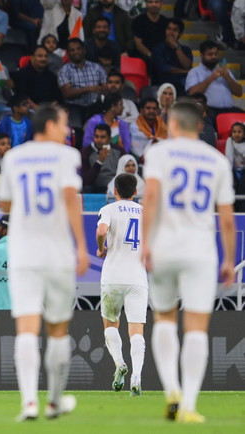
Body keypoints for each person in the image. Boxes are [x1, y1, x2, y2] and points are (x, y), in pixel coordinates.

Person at [141, 100, 236, 423]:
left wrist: (146, 243)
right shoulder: (217, 160)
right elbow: (226, 217)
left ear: (172, 124)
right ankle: (190, 406)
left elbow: (150, 196)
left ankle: (171, 388)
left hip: (165, 247)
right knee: (196, 328)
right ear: (200, 126)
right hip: (201, 252)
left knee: (165, 318)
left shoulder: (158, 154)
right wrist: (229, 258)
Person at [0, 105, 89, 420]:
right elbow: (69, 197)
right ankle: (54, 400)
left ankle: (28, 403)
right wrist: (82, 246)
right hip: (57, 252)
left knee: (26, 328)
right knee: (58, 329)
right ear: (49, 125)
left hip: (23, 252)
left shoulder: (13, 157)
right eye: (64, 124)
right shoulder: (67, 156)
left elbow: (5, 203)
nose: (66, 131)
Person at [96, 172, 148, 396]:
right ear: (135, 192)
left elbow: (101, 230)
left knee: (110, 326)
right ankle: (136, 376)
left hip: (113, 278)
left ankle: (119, 363)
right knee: (136, 330)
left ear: (114, 191)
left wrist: (101, 248)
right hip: (137, 278)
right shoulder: (145, 212)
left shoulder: (108, 210)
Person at [186, 40, 244, 124]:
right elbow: (192, 93)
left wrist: (228, 78)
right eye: (210, 54)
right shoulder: (194, 72)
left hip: (228, 110)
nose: (214, 57)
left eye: (216, 54)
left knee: (241, 114)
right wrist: (211, 78)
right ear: (201, 55)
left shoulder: (225, 71)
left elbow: (239, 93)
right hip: (209, 111)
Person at [58, 38, 107, 129]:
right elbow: (67, 93)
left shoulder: (97, 67)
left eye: (78, 48)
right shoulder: (64, 70)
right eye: (72, 50)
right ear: (68, 53)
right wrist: (88, 89)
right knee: (76, 132)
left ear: (84, 50)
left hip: (95, 107)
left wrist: (102, 89)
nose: (76, 52)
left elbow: (105, 88)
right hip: (74, 107)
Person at [11, 45, 63, 111]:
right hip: (30, 110)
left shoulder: (51, 75)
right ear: (32, 58)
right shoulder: (22, 74)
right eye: (40, 56)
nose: (43, 59)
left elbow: (57, 97)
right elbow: (22, 95)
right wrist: (37, 108)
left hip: (49, 110)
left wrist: (50, 108)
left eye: (45, 56)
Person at [151, 18, 192, 96]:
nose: (171, 33)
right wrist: (185, 72)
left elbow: (187, 65)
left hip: (182, 83)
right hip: (163, 83)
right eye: (169, 29)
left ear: (180, 34)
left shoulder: (186, 50)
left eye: (175, 30)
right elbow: (165, 69)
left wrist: (177, 47)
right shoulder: (158, 49)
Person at [82, 123, 126, 193]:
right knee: (87, 189)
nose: (99, 140)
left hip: (115, 187)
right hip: (94, 188)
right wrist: (99, 162)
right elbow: (85, 180)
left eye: (102, 137)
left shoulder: (119, 151)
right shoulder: (86, 152)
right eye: (96, 136)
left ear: (109, 139)